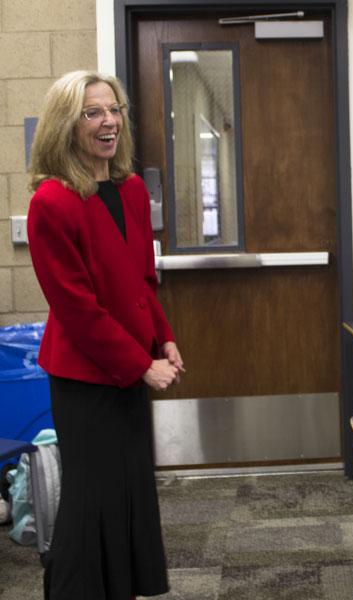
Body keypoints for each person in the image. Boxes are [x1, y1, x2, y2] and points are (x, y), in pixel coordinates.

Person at [26, 70, 183, 599]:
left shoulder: (131, 189)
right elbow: (76, 308)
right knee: (90, 499)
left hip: (131, 369)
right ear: (67, 126)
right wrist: (141, 365)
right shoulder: (51, 202)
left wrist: (165, 339)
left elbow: (142, 280)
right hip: (86, 378)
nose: (108, 121)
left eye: (113, 109)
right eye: (92, 112)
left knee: (129, 491)